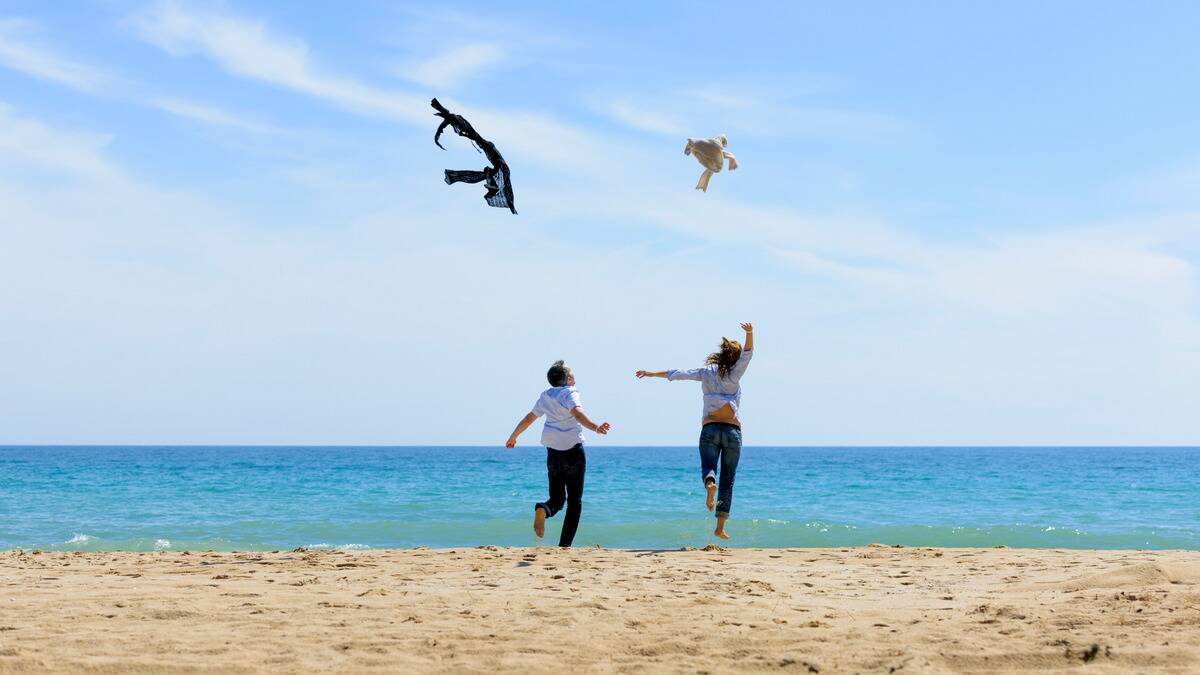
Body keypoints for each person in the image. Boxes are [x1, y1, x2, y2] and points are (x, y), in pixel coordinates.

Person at [636, 323, 753, 539]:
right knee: (729, 479)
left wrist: (652, 373)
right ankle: (719, 527)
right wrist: (749, 334)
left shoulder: (706, 372)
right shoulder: (736, 375)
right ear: (735, 359)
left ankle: (710, 483)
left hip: (709, 428)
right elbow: (748, 355)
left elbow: (678, 373)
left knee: (709, 467)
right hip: (732, 432)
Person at [505, 360, 610, 547]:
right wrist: (596, 427)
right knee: (574, 502)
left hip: (553, 452)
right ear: (568, 379)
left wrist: (514, 436)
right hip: (573, 453)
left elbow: (530, 418)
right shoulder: (570, 393)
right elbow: (577, 414)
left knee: (557, 499)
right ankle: (564, 545)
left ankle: (543, 510)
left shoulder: (545, 396)